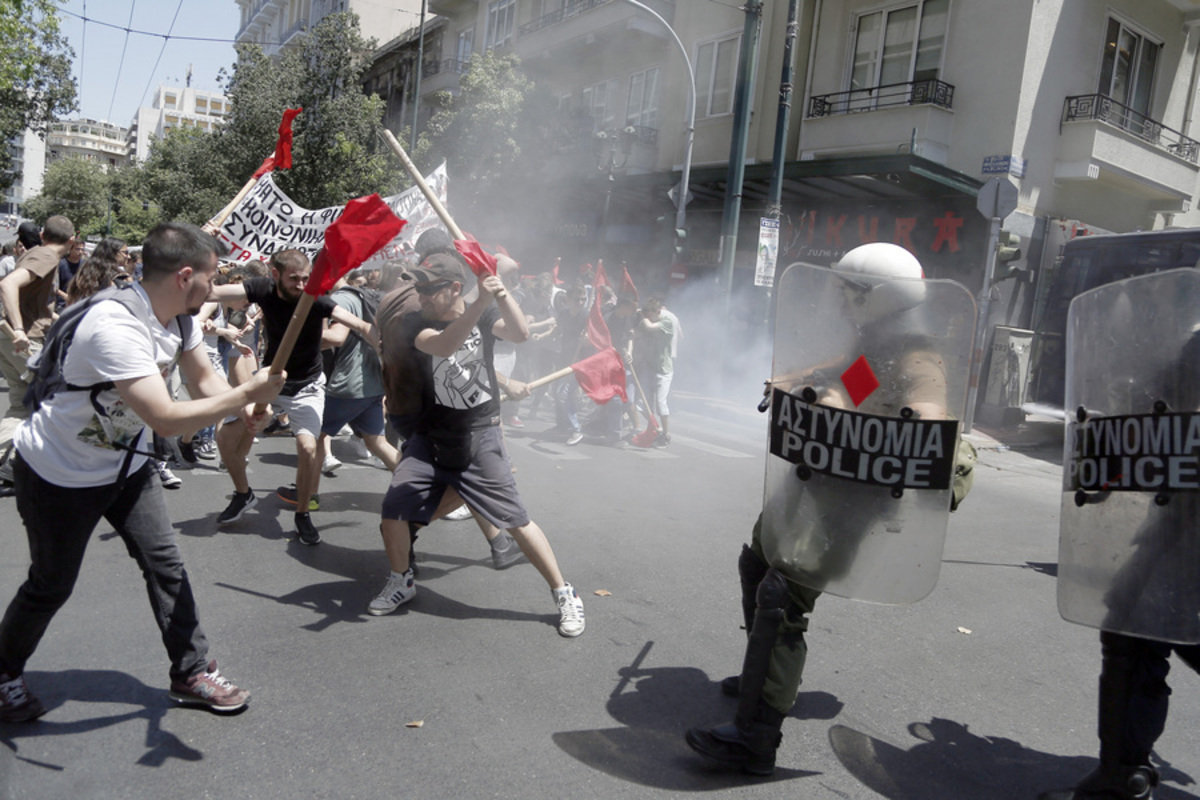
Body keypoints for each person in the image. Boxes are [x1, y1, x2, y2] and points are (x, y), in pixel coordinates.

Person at [0, 222, 284, 722]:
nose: (217, 288)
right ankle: (3, 673)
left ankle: (191, 670)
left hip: (126, 468)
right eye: (213, 276)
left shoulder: (180, 319)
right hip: (58, 474)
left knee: (166, 566)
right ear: (185, 276)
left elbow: (202, 381)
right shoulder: (114, 326)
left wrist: (240, 409)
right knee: (51, 584)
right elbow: (164, 417)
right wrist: (245, 395)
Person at [686, 243, 950, 775]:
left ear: (873, 298)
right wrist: (799, 383)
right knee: (757, 562)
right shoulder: (878, 344)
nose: (839, 299)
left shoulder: (917, 356)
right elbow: (850, 375)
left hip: (851, 500)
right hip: (815, 481)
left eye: (848, 291)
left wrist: (859, 413)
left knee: (783, 595)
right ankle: (764, 675)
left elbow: (928, 417)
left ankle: (755, 737)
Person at [371, 252, 584, 635]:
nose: (419, 295)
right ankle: (401, 580)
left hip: (479, 434)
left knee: (516, 521)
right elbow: (443, 347)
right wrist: (482, 302)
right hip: (430, 434)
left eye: (428, 288)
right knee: (392, 514)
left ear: (454, 288)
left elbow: (520, 333)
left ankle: (564, 592)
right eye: (417, 287)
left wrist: (500, 295)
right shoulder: (414, 321)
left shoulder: (484, 314)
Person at [210, 249, 375, 545]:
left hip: (307, 387)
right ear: (275, 275)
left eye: (305, 278)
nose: (301, 285)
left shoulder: (316, 299)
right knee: (227, 441)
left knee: (308, 448)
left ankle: (303, 514)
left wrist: (379, 337)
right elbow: (218, 292)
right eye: (294, 279)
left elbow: (355, 323)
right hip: (270, 380)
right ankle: (243, 493)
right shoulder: (263, 288)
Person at [0, 216, 75, 488]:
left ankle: (12, 466)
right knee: (52, 401)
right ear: (72, 240)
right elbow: (8, 285)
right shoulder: (45, 256)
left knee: (21, 407)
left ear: (42, 234)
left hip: (15, 338)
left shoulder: (36, 253)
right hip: (24, 340)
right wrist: (19, 328)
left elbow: (42, 307)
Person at [318, 275, 399, 476]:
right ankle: (423, 489)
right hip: (371, 381)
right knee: (376, 441)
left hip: (349, 382)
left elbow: (335, 338)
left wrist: (296, 336)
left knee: (313, 434)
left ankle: (307, 494)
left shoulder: (341, 300)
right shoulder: (360, 295)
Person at [636, 296, 678, 447]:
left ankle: (666, 434)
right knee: (641, 404)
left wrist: (642, 316)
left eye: (650, 313)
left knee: (661, 403)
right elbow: (638, 334)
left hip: (663, 369)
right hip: (649, 367)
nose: (648, 316)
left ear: (657, 311)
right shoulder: (648, 321)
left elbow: (648, 327)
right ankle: (656, 429)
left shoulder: (666, 321)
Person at [54, 238, 86, 311]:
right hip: (62, 304)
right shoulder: (61, 264)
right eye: (77, 249)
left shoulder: (84, 265)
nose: (80, 252)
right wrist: (66, 297)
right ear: (70, 249)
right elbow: (54, 286)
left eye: (82, 249)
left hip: (79, 303)